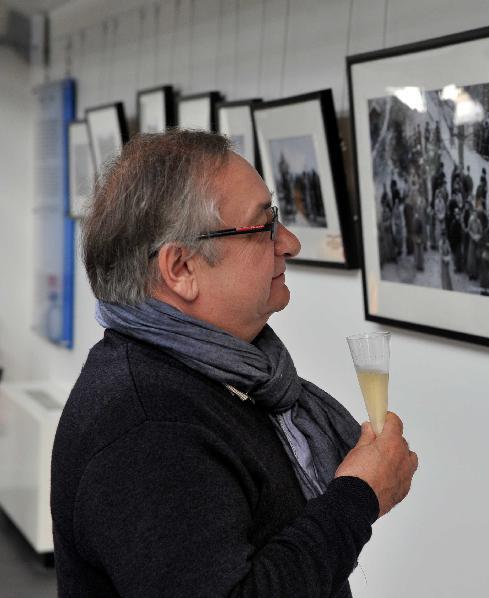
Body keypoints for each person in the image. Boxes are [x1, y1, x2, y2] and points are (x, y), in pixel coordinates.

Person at [51, 131, 418, 597]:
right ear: (181, 268)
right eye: (262, 226)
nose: (288, 243)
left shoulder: (223, 377)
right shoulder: (149, 425)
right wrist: (356, 498)